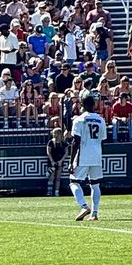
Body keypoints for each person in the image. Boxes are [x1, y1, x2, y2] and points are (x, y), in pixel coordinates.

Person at [69, 90, 106, 221]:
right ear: (94, 105)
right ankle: (94, 213)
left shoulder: (79, 120)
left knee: (73, 182)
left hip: (83, 155)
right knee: (95, 184)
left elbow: (76, 141)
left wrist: (71, 160)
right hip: (96, 155)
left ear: (82, 105)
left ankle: (84, 206)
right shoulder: (100, 120)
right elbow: (103, 139)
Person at [46, 126, 68, 196]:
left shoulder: (64, 143)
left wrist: (61, 160)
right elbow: (48, 152)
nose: (53, 134)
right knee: (51, 177)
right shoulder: (51, 142)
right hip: (52, 161)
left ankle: (56, 192)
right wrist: (52, 161)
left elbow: (66, 152)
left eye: (55, 133)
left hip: (60, 162)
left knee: (58, 178)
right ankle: (49, 192)